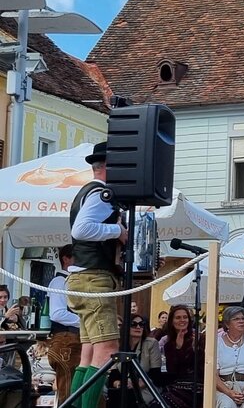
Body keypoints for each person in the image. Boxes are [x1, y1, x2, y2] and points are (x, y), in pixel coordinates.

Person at [66, 141, 129, 408]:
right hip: (93, 280)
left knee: (89, 352)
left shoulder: (85, 193)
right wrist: (119, 232)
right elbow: (81, 230)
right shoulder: (102, 194)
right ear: (110, 167)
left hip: (83, 278)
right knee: (107, 349)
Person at [47, 245, 82, 405]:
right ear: (66, 259)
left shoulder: (72, 281)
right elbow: (57, 313)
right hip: (67, 340)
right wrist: (84, 322)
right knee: (68, 390)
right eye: (78, 256)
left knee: (77, 389)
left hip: (74, 339)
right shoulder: (60, 281)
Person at [106, 314, 162, 407]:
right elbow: (113, 374)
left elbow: (155, 374)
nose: (138, 327)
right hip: (123, 389)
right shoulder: (119, 345)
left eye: (141, 324)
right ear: (126, 327)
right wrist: (119, 384)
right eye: (134, 324)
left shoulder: (151, 344)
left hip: (146, 388)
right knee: (113, 397)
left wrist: (134, 385)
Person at [157, 304, 205, 407]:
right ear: (172, 321)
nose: (182, 320)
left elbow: (202, 366)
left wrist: (195, 349)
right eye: (178, 317)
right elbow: (172, 371)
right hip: (178, 386)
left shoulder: (199, 338)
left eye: (185, 317)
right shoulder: (168, 343)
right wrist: (178, 348)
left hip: (198, 386)